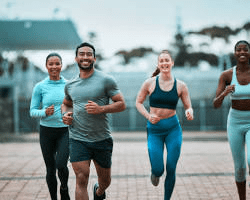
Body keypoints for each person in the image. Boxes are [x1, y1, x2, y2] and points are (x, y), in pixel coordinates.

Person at [61, 42, 126, 200]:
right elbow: (66, 104)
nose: (85, 57)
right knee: (81, 178)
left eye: (89, 54)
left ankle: (99, 191)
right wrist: (65, 115)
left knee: (105, 181)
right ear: (76, 58)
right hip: (78, 138)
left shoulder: (106, 80)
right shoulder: (70, 85)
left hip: (101, 139)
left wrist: (101, 109)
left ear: (94, 58)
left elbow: (121, 104)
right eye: (81, 54)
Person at [135, 50, 194, 200]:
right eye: (161, 61)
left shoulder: (181, 85)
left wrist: (189, 111)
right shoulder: (149, 83)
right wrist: (148, 116)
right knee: (158, 169)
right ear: (158, 64)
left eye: (167, 60)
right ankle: (154, 173)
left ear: (172, 63)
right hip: (154, 130)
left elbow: (188, 106)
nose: (164, 63)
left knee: (171, 168)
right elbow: (138, 103)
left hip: (173, 129)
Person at [30, 53, 70, 200]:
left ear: (61, 65)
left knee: (61, 164)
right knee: (50, 169)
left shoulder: (68, 85)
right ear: (46, 66)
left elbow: (75, 106)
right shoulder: (40, 86)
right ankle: (54, 197)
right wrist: (44, 112)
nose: (54, 67)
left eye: (57, 63)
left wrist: (71, 115)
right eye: (51, 64)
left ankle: (64, 189)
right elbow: (32, 111)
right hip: (46, 131)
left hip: (64, 131)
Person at [213, 40, 250, 200]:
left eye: (245, 50)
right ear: (234, 53)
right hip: (235, 122)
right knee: (240, 167)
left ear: (249, 52)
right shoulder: (226, 75)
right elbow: (215, 104)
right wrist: (225, 93)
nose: (242, 52)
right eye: (238, 50)